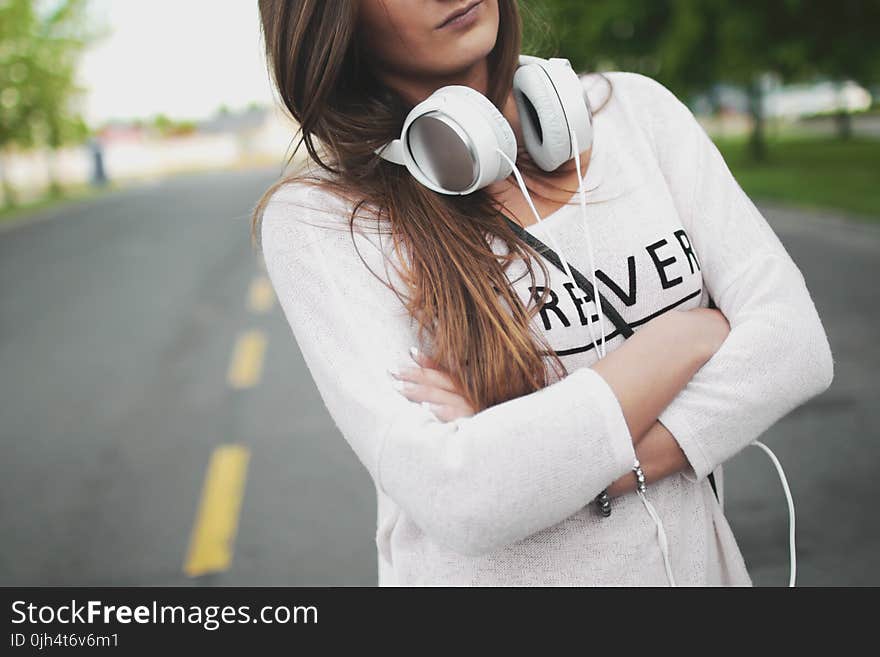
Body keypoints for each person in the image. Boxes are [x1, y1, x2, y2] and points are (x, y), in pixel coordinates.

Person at [251, 0, 834, 586]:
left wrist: (559, 460)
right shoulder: (323, 218)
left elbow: (793, 346)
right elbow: (464, 495)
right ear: (331, 20)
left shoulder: (635, 113)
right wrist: (688, 338)